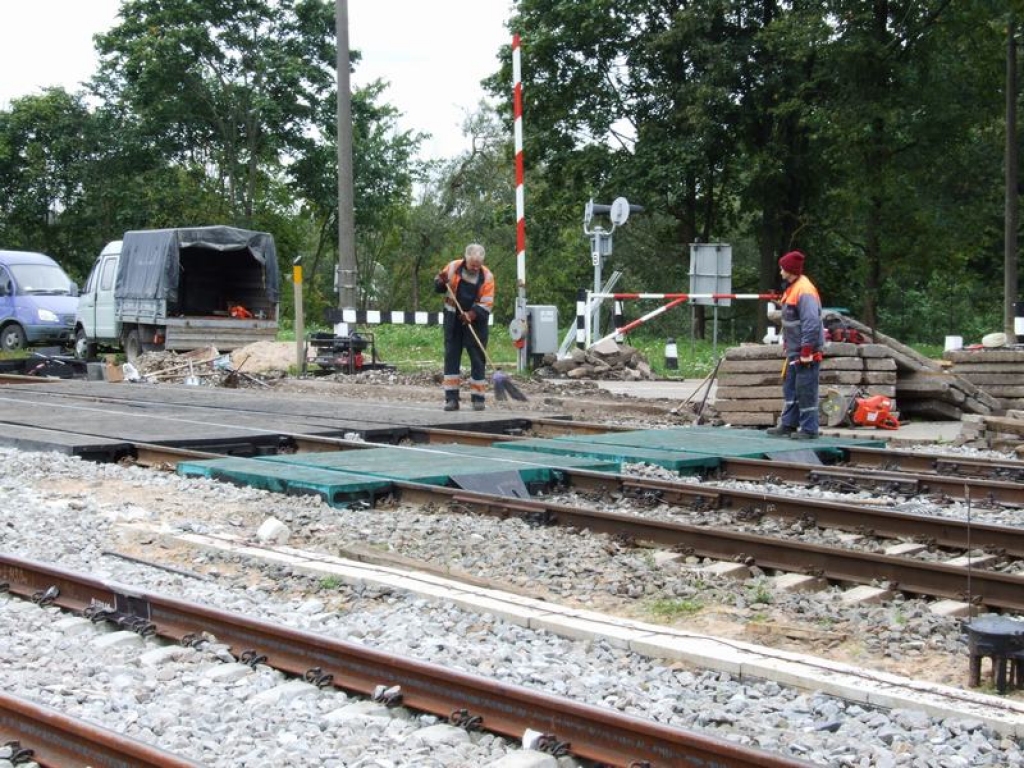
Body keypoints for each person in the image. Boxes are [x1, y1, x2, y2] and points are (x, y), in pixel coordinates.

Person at [767, 250, 825, 439]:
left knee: (806, 389)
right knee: (791, 387)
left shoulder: (804, 290)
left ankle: (809, 429)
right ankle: (788, 424)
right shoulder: (793, 287)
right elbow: (793, 322)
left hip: (805, 351)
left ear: (789, 270)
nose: (781, 272)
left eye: (782, 269)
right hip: (795, 350)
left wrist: (806, 349)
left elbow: (811, 322)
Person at [434, 243, 495, 411]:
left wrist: (471, 315)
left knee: (477, 358)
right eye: (472, 264)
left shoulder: (487, 276)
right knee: (451, 356)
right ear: (466, 258)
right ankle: (451, 399)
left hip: (477, 323)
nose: (475, 268)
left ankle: (478, 398)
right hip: (453, 318)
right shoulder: (453, 267)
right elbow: (438, 287)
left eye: (478, 265)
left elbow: (487, 303)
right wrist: (440, 282)